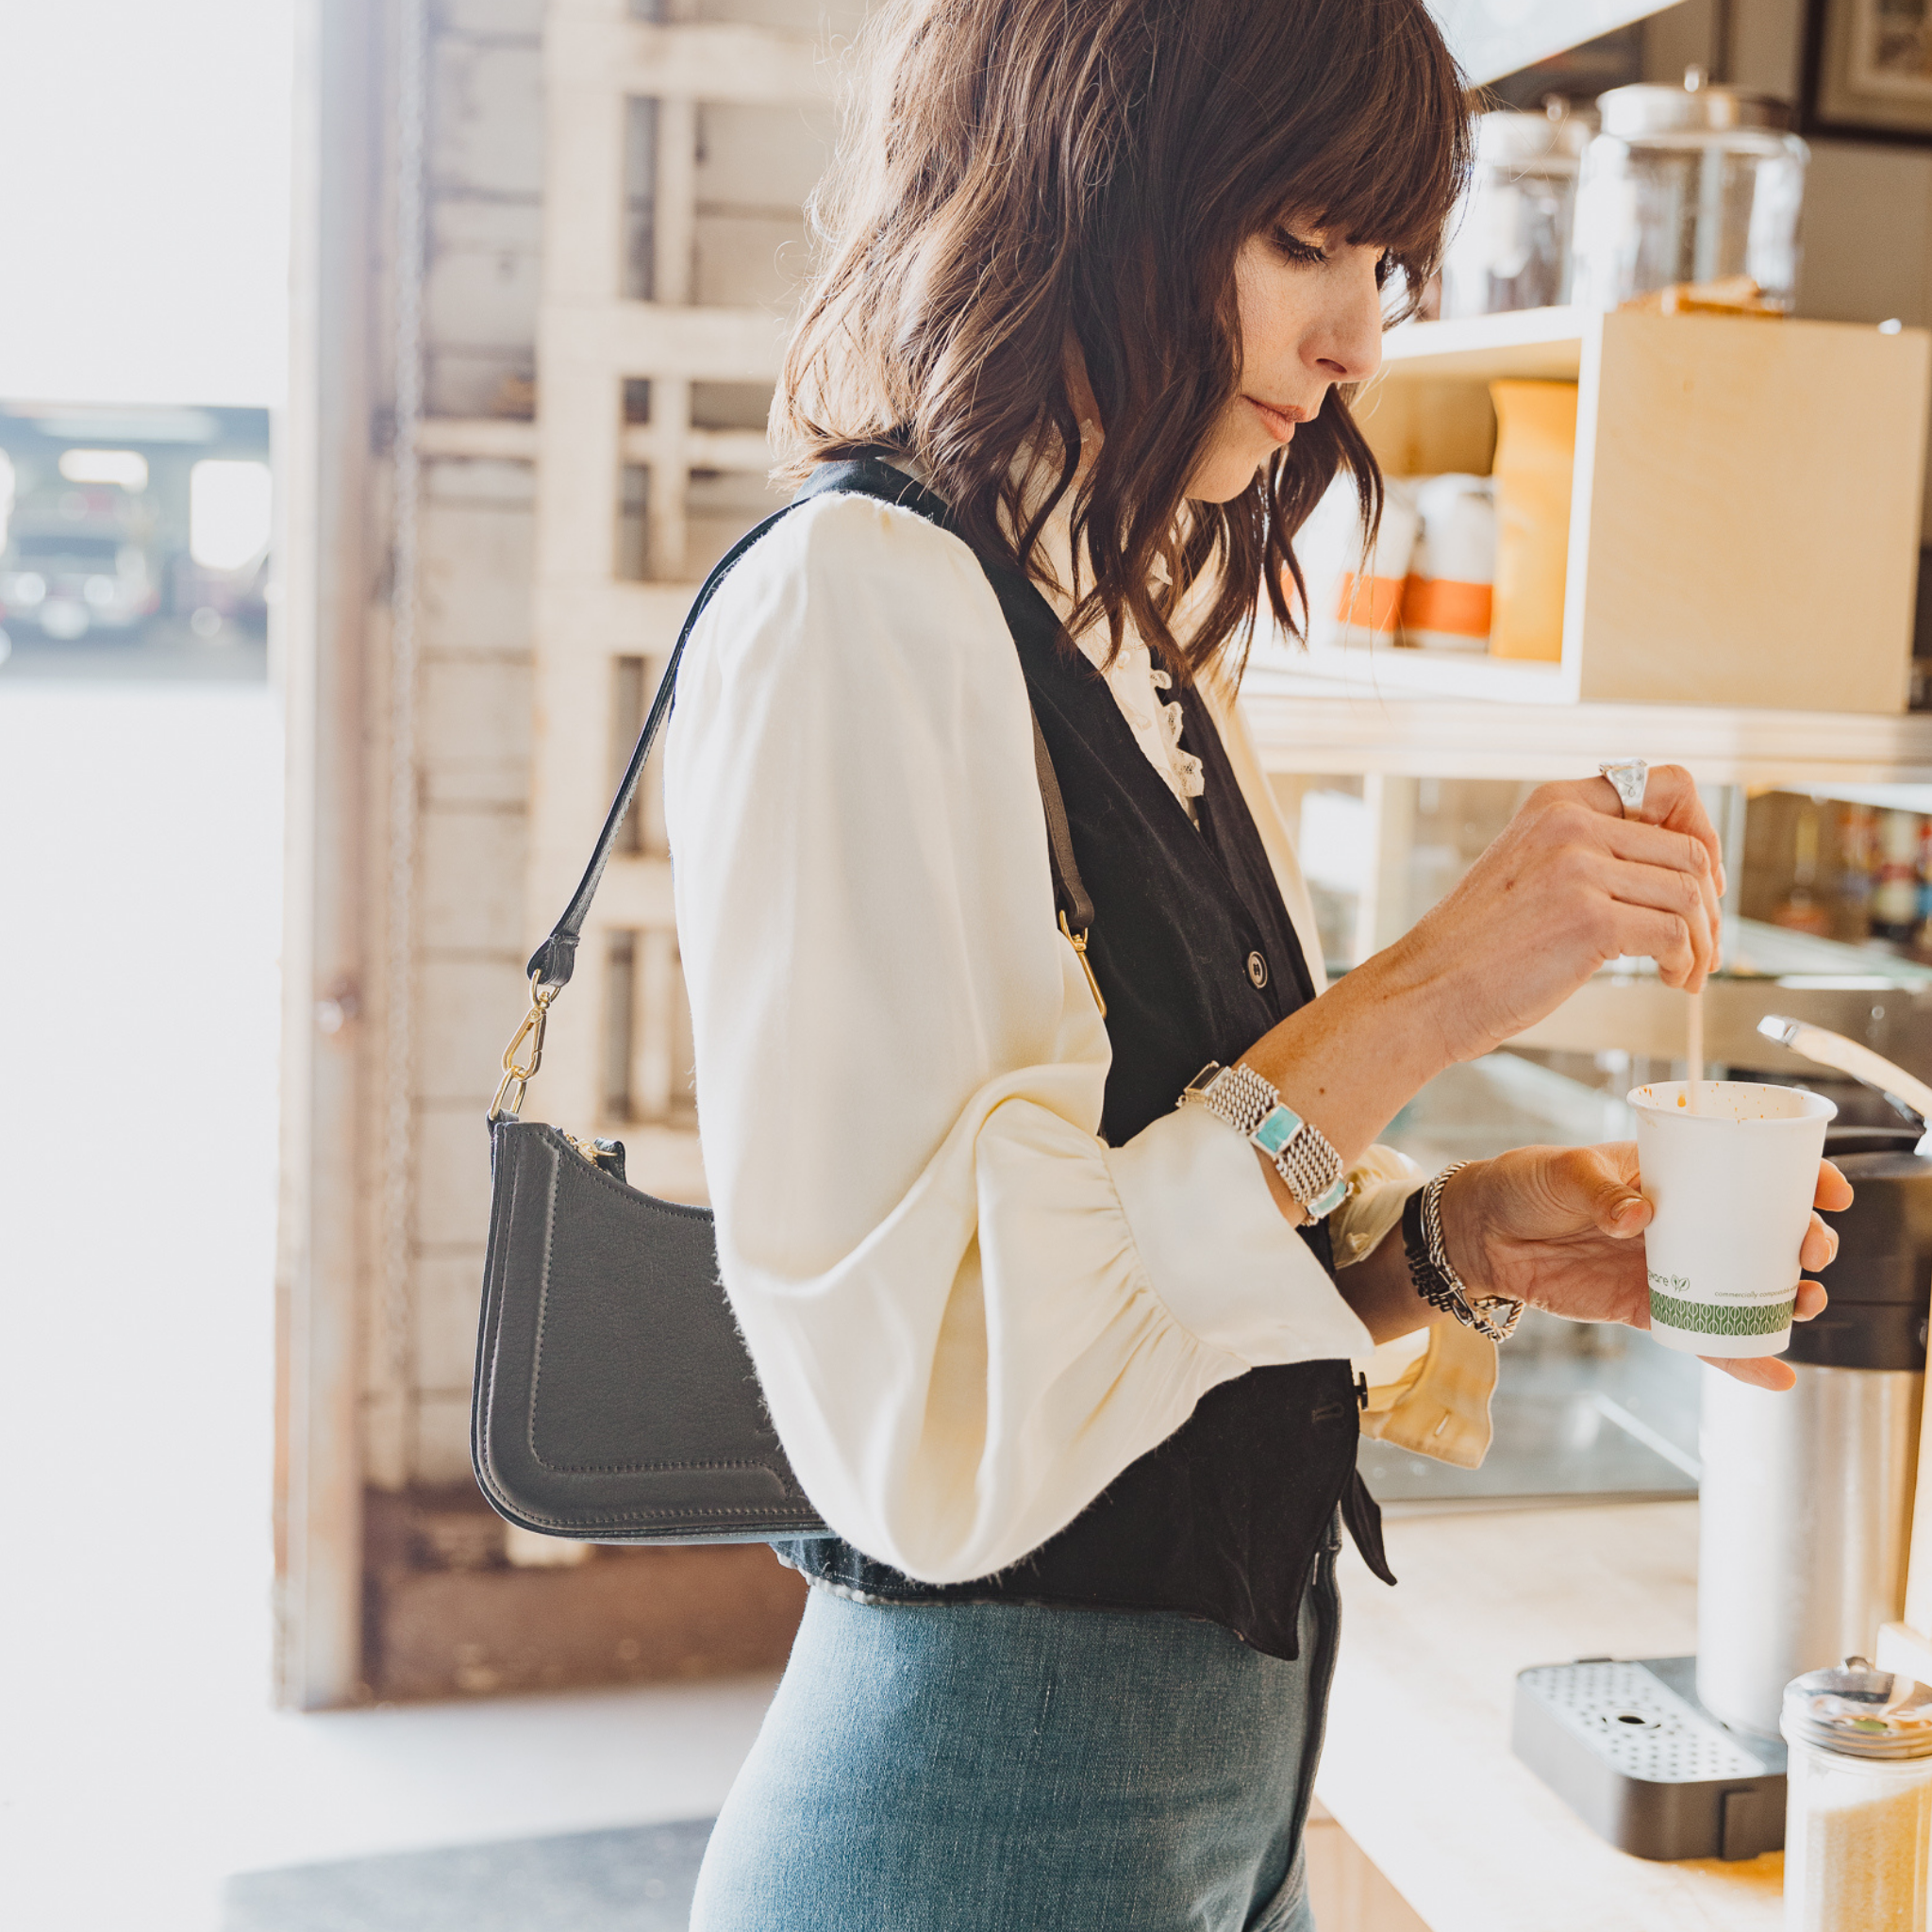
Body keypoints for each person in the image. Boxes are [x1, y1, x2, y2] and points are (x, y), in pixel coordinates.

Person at [663, 2, 1849, 1924]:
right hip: (974, 1839)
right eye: (1302, 240)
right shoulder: (855, 613)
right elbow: (948, 1405)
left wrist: (1444, 1247)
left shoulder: (1141, 627)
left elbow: (1158, 1274)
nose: (1362, 338)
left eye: (1383, 263)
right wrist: (1441, 986)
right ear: (1090, 182)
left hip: (1223, 1823)